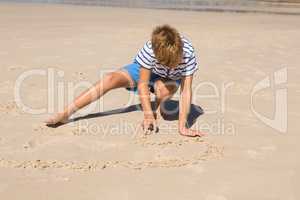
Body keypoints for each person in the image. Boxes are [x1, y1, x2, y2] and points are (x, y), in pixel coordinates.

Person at [45, 24, 205, 137]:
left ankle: (160, 105)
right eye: (166, 62)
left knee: (161, 90)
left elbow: (186, 91)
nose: (171, 65)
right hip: (147, 71)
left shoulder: (188, 54)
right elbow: (142, 84)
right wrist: (148, 115)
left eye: (174, 62)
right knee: (110, 79)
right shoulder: (151, 49)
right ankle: (65, 114)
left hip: (171, 79)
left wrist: (182, 126)